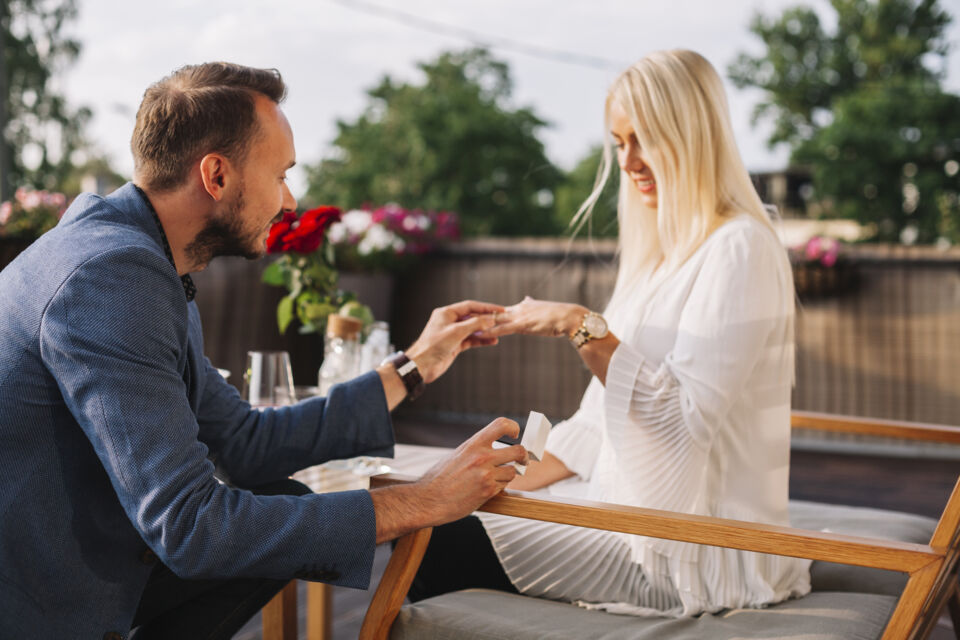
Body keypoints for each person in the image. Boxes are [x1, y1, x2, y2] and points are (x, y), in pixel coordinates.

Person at [0, 62, 526, 639]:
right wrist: (424, 502)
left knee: (283, 498)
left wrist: (414, 366)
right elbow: (192, 527)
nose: (290, 199)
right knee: (250, 528)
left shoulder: (135, 255)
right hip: (41, 612)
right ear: (217, 175)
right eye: (279, 174)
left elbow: (246, 444)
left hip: (86, 572)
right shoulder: (112, 278)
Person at [408, 49, 811, 617]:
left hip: (698, 552)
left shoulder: (739, 248)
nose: (630, 162)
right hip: (626, 513)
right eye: (620, 143)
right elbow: (599, 426)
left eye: (645, 138)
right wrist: (479, 487)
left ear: (694, 135)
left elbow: (681, 431)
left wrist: (580, 326)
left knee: (437, 542)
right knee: (436, 513)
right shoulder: (658, 259)